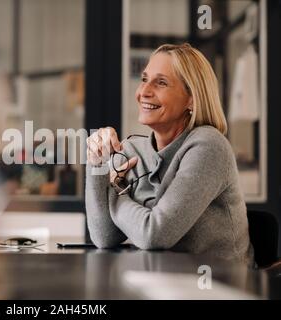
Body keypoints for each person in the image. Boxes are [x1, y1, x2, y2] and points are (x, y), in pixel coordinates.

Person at [85, 43, 253, 264]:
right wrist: (96, 163)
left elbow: (155, 234)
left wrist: (116, 191)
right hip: (163, 281)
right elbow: (104, 237)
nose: (143, 92)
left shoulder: (209, 146)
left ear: (191, 98)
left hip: (217, 287)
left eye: (161, 83)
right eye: (144, 79)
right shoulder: (135, 150)